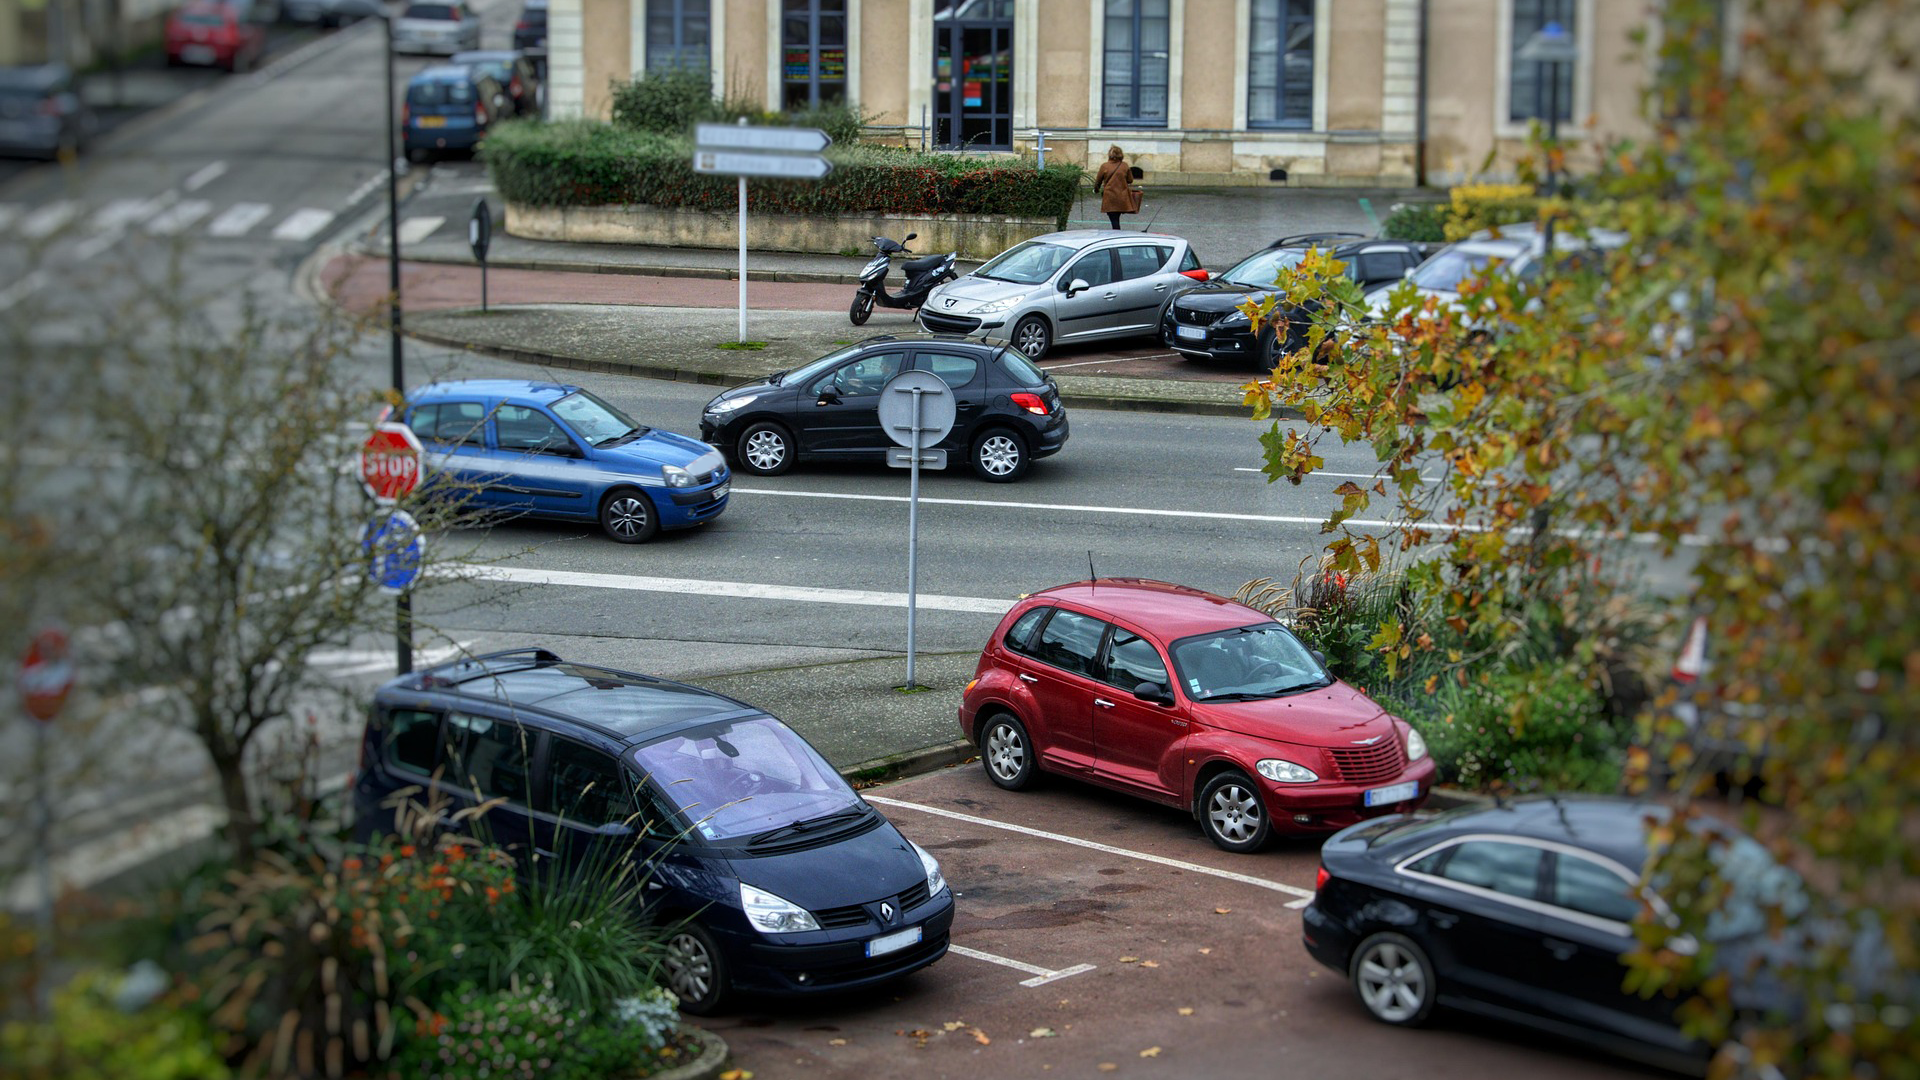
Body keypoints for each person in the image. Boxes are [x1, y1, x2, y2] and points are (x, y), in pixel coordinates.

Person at [1094, 145, 1134, 230]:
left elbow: (1098, 181)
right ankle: (1116, 231)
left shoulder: (1105, 166)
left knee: (1113, 218)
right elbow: (1130, 180)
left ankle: (1116, 234)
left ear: (1110, 155)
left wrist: (1096, 190)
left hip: (1110, 196)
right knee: (1116, 217)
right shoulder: (1125, 165)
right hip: (1122, 196)